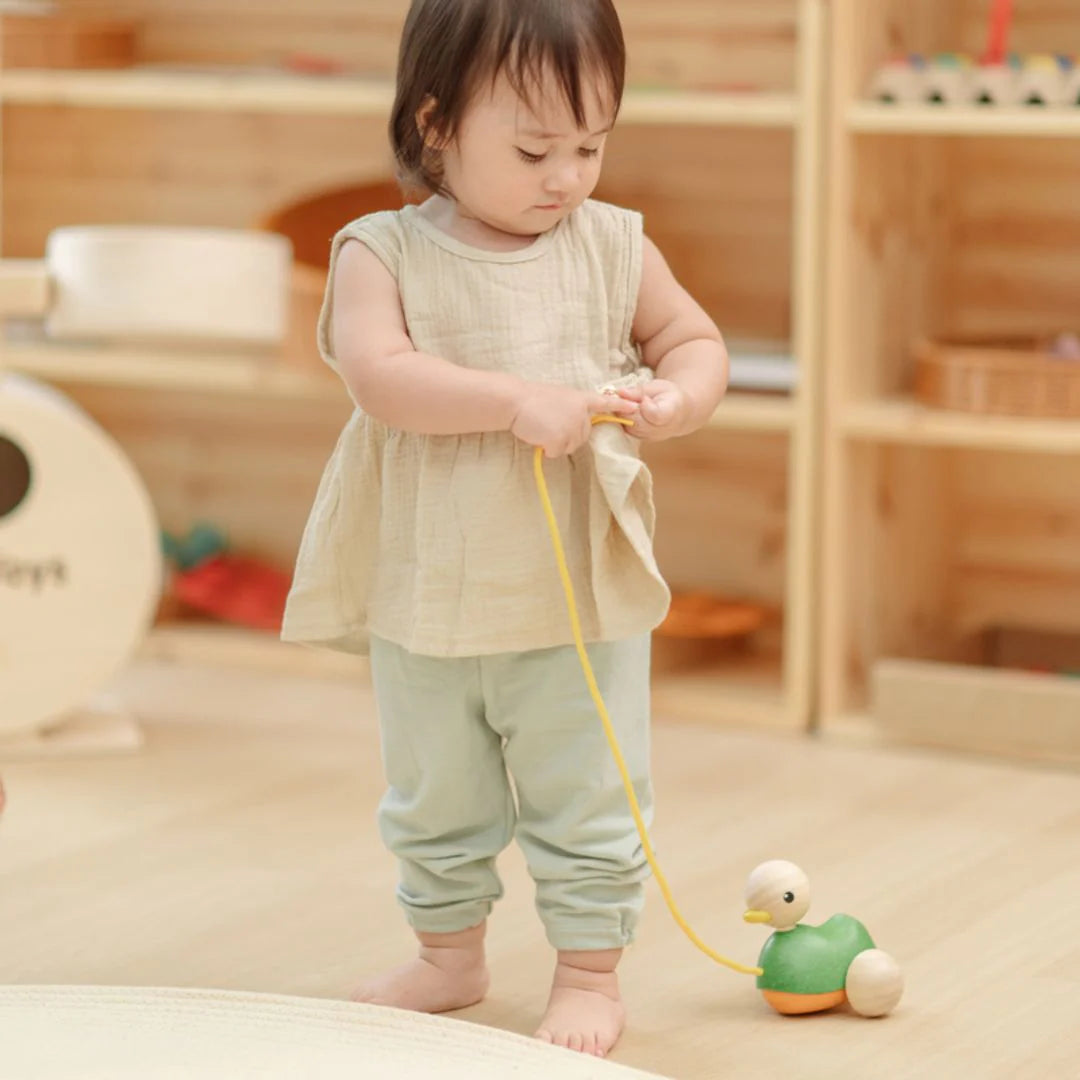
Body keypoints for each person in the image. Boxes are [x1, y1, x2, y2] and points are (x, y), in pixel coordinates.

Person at [282, 0, 728, 1058]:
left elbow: (692, 337)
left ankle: (588, 973)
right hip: (430, 591)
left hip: (576, 595)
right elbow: (381, 377)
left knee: (589, 788)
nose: (566, 176)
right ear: (436, 124)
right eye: (534, 150)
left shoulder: (613, 244)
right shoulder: (380, 252)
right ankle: (448, 956)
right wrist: (514, 399)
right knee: (435, 791)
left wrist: (681, 395)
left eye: (591, 145)